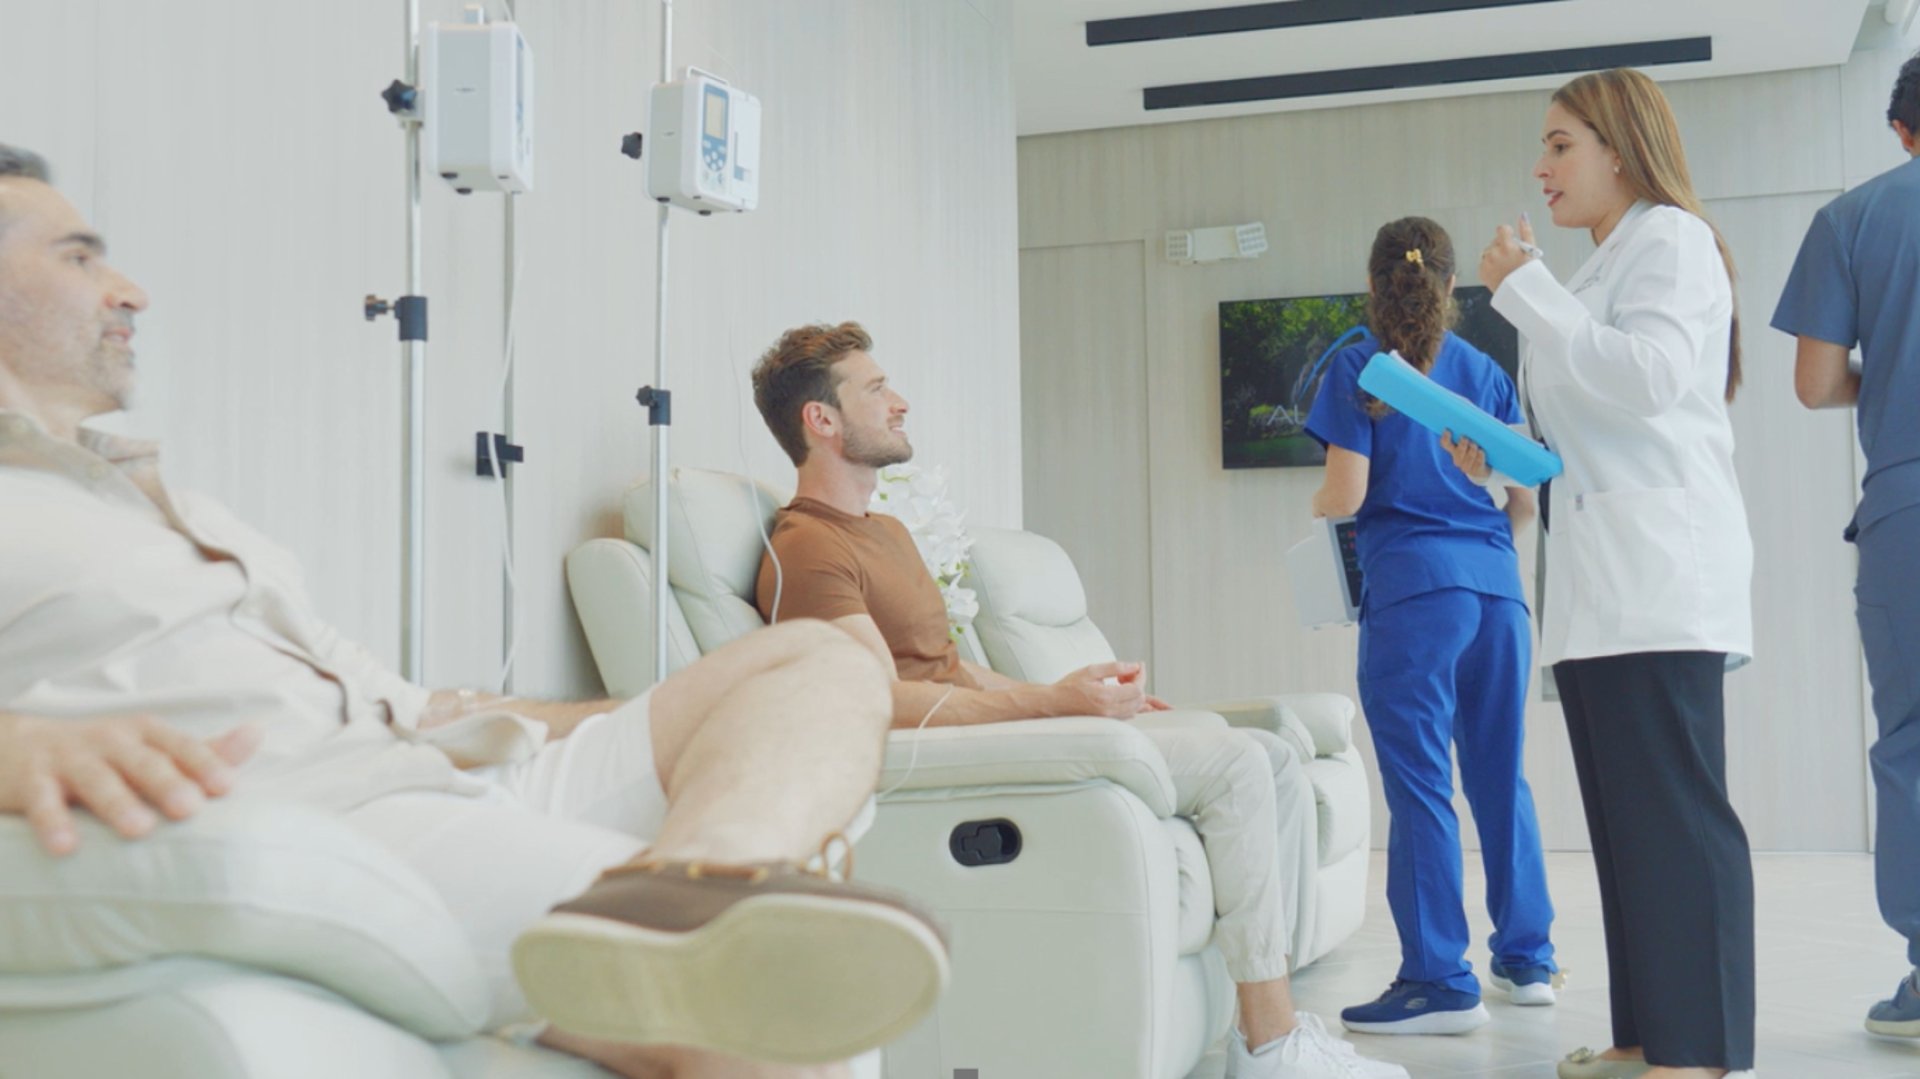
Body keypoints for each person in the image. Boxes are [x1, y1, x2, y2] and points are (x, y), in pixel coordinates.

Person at [0, 144, 948, 1079]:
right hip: (338, 813)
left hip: (436, 760)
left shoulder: (165, 505)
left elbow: (402, 701)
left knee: (820, 662)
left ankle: (682, 895)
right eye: (79, 258)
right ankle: (690, 941)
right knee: (782, 1000)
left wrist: (651, 718)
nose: (128, 289)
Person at [746, 321, 1407, 1079]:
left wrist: (1068, 695)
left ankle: (1268, 1025)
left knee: (1272, 755)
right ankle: (1271, 1047)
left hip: (979, 724)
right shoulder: (805, 546)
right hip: (941, 758)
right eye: (875, 388)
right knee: (1232, 764)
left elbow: (953, 671)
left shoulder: (886, 531)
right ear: (820, 420)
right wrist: (1049, 711)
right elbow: (880, 702)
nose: (899, 401)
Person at [1457, 69, 1758, 1079]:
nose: (1540, 168)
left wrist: (1523, 291)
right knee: (1630, 832)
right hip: (1597, 588)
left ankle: (1698, 1050)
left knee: (1676, 822)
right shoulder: (1594, 272)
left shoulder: (1670, 240)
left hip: (1659, 577)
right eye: (1542, 147)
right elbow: (1576, 438)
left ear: (1620, 147)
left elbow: (1653, 379)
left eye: (1560, 144)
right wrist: (1495, 452)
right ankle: (1646, 1038)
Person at [1304, 217, 1558, 1037]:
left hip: (1416, 597)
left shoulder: (1356, 365)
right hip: (1497, 595)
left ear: (1375, 283)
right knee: (1499, 778)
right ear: (1451, 288)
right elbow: (1522, 500)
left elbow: (1344, 497)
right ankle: (1527, 961)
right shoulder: (1485, 370)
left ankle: (1438, 980)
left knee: (1421, 787)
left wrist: (1315, 510)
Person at [1771, 49, 1920, 1041]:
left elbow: (1818, 383)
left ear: (1902, 129)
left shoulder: (1854, 216)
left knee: (1913, 742)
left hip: (1908, 503)